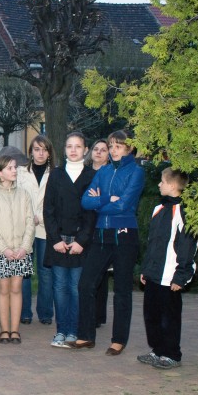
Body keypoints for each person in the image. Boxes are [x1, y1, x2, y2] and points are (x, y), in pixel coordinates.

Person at [69, 130, 145, 355]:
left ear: (129, 148)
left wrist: (99, 203)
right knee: (86, 284)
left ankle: (118, 340)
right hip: (102, 234)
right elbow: (85, 201)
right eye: (111, 146)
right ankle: (86, 336)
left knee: (121, 290)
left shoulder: (136, 172)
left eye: (118, 146)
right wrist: (105, 199)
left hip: (125, 235)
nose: (113, 150)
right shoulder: (103, 171)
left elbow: (124, 205)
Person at [138, 168, 197, 370]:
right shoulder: (158, 209)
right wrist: (145, 269)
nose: (159, 184)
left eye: (162, 181)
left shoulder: (184, 212)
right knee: (151, 315)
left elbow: (187, 247)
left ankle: (172, 354)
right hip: (154, 274)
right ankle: (158, 350)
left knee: (169, 317)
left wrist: (181, 276)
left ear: (172, 186)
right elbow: (152, 243)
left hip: (170, 276)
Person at [43, 133, 96, 348]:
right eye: (69, 146)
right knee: (59, 287)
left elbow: (92, 214)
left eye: (78, 146)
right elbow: (48, 210)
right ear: (64, 149)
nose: (73, 150)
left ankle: (74, 330)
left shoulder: (92, 176)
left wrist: (81, 241)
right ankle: (61, 331)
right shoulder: (56, 175)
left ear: (85, 150)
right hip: (58, 243)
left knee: (76, 288)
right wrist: (55, 239)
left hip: (79, 244)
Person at [0, 154, 35, 345]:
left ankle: (15, 330)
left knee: (16, 288)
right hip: (0, 252)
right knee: (3, 289)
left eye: (16, 168)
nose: (15, 171)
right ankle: (4, 330)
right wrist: (4, 249)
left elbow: (30, 223)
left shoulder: (24, 195)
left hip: (21, 251)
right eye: (11, 168)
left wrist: (24, 247)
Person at [16, 135, 55, 325]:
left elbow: (56, 201)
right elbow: (14, 197)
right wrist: (29, 215)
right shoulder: (20, 172)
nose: (40, 153)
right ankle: (24, 312)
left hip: (46, 228)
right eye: (37, 149)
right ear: (30, 151)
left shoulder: (56, 173)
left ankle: (45, 313)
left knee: (45, 271)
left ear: (49, 153)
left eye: (44, 149)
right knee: (24, 272)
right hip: (24, 228)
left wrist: (41, 215)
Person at [85, 138, 110, 328]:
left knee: (101, 274)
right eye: (96, 149)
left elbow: (110, 202)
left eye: (103, 149)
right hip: (84, 227)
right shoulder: (84, 173)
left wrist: (99, 199)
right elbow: (83, 200)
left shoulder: (111, 174)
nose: (99, 152)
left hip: (103, 227)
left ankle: (99, 315)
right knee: (87, 274)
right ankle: (86, 313)